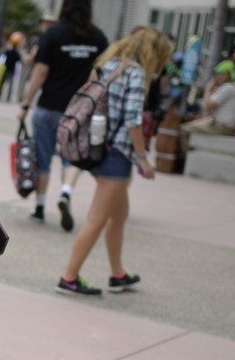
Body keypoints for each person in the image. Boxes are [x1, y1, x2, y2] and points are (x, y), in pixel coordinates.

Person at [56, 27, 173, 297]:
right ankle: (69, 277)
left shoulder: (107, 65)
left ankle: (118, 274)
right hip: (116, 155)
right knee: (97, 219)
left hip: (97, 148)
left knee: (118, 215)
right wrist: (143, 158)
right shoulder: (134, 72)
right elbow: (133, 120)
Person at [18, 0, 108, 229]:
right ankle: (66, 192)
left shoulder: (54, 34)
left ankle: (39, 207)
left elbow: (41, 71)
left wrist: (26, 103)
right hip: (79, 111)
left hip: (49, 106)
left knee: (43, 158)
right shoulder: (98, 38)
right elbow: (100, 75)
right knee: (73, 156)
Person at [180, 59, 235, 151]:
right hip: (230, 127)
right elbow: (210, 110)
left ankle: (188, 157)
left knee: (184, 129)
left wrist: (208, 88)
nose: (217, 76)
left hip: (223, 127)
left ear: (226, 75)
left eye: (220, 73)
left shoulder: (227, 88)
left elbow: (206, 107)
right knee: (197, 124)